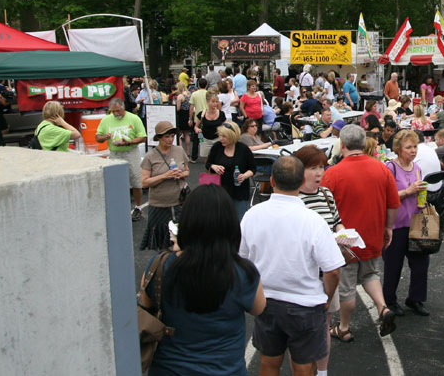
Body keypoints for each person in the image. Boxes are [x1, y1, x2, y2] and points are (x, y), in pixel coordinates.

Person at [140, 184, 266, 376]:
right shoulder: (243, 272)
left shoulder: (159, 265)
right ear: (230, 225)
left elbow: (147, 303)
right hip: (226, 369)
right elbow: (259, 308)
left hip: (169, 368)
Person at [240, 156, 344, 376]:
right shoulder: (312, 220)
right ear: (299, 183)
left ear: (272, 181)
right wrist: (326, 297)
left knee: (268, 362)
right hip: (305, 303)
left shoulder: (251, 215)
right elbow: (333, 270)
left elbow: (243, 260)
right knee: (304, 366)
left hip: (266, 301)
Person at [321, 125, 400, 341]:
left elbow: (325, 207)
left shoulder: (333, 173)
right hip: (372, 233)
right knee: (370, 274)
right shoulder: (381, 169)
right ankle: (383, 307)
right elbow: (393, 203)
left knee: (346, 287)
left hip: (345, 239)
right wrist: (388, 227)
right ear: (364, 144)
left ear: (342, 144)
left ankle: (344, 327)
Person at [293, 145, 352, 376]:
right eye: (313, 168)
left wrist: (343, 233)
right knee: (299, 330)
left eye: (322, 167)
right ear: (300, 170)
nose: (319, 173)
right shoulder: (293, 198)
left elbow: (337, 221)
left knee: (323, 327)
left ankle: (322, 372)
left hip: (327, 273)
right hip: (302, 275)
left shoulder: (326, 194)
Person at [382, 130, 431, 316]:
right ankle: (390, 300)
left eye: (415, 146)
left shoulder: (417, 168)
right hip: (395, 225)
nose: (413, 151)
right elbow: (385, 197)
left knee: (421, 264)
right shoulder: (390, 168)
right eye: (408, 147)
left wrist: (422, 199)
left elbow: (417, 192)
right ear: (398, 149)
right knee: (393, 266)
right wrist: (408, 191)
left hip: (415, 222)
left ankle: (415, 299)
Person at [140, 121, 190, 250]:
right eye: (166, 136)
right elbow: (144, 182)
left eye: (172, 136)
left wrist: (181, 174)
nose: (170, 139)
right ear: (159, 138)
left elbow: (187, 170)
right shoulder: (150, 156)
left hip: (179, 202)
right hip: (159, 205)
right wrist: (164, 176)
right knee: (162, 243)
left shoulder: (179, 150)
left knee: (182, 240)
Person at [96, 98, 147, 220]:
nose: (115, 114)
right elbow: (98, 137)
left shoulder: (133, 118)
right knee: (116, 182)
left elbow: (143, 137)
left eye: (118, 111)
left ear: (123, 107)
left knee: (136, 180)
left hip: (131, 152)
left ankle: (138, 206)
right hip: (115, 153)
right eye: (112, 111)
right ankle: (119, 207)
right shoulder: (106, 120)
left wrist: (128, 142)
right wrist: (104, 137)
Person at [205, 122, 257, 221]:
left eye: (224, 136)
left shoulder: (243, 149)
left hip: (239, 191)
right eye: (220, 135)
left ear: (232, 136)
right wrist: (214, 166)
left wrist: (244, 176)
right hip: (220, 190)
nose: (221, 139)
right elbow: (208, 164)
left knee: (239, 220)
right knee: (220, 220)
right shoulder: (217, 147)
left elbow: (253, 168)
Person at [195, 93, 226, 159]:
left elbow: (225, 126)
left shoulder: (221, 114)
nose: (215, 104)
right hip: (205, 140)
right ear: (207, 102)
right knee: (206, 160)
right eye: (213, 102)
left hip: (218, 139)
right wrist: (197, 129)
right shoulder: (202, 114)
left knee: (218, 158)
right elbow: (196, 126)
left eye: (216, 102)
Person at [174, 83, 192, 158]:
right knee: (186, 133)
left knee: (179, 134)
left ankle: (180, 152)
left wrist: (174, 104)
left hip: (181, 115)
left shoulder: (180, 96)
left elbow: (177, 108)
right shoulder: (189, 94)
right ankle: (188, 151)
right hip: (188, 114)